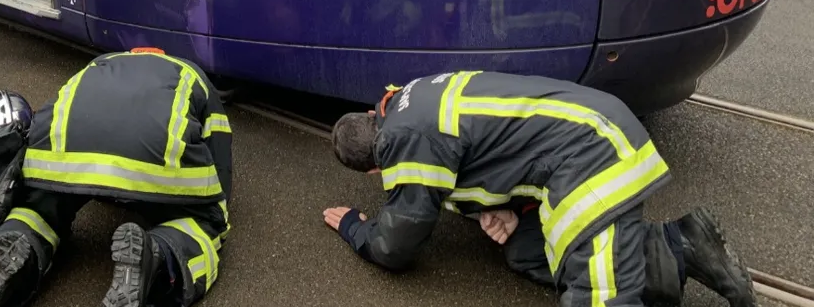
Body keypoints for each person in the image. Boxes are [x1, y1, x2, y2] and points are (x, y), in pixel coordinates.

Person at [324, 70, 756, 307]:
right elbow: (491, 143)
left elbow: (399, 241)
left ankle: (642, 265)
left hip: (590, 155)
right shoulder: (408, 99)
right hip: (581, 138)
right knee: (528, 250)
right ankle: (682, 248)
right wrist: (505, 210)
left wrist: (356, 228)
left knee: (597, 298)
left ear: (374, 171)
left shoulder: (403, 141)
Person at [0, 47, 233, 307]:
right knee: (205, 224)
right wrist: (212, 209)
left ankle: (17, 240)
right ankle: (158, 256)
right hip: (153, 150)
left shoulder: (100, 64)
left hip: (64, 149)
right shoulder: (193, 74)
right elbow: (219, 153)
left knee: (38, 208)